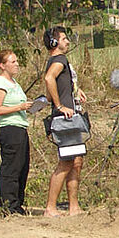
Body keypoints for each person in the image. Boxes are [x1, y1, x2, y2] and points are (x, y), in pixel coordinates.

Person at [43, 26, 87, 217]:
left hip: (70, 116)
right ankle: (50, 208)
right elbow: (48, 78)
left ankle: (73, 207)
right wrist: (60, 106)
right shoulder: (59, 60)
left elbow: (51, 89)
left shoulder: (60, 61)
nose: (68, 41)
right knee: (67, 161)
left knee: (76, 161)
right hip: (65, 118)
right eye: (63, 38)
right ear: (54, 43)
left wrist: (75, 90)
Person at [0, 50, 33, 215]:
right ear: (2, 65)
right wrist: (19, 107)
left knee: (22, 167)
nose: (16, 65)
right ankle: (8, 206)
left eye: (16, 61)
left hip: (20, 127)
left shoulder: (14, 83)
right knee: (11, 168)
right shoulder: (0, 83)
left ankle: (17, 204)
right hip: (9, 129)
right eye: (13, 62)